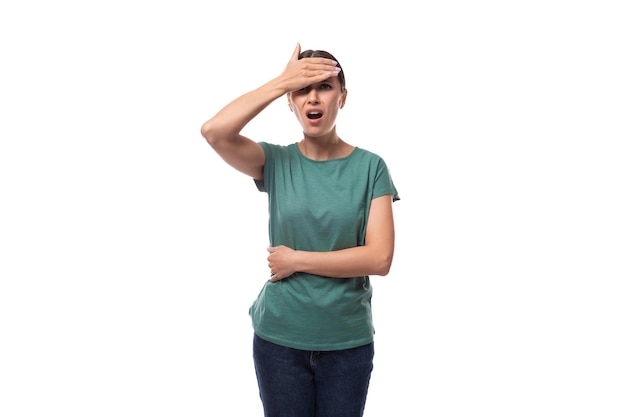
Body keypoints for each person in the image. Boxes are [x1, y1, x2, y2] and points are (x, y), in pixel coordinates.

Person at [200, 43, 400, 417]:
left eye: (324, 86)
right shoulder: (275, 161)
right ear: (290, 102)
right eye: (302, 88)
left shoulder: (371, 168)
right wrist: (280, 82)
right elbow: (214, 131)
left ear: (343, 96)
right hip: (279, 341)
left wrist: (296, 260)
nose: (313, 97)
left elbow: (379, 257)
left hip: (347, 342)